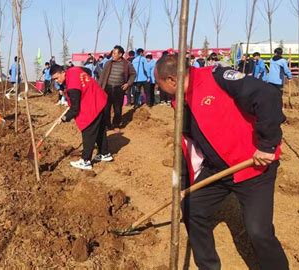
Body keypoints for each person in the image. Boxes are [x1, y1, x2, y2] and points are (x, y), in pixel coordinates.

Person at [155, 55, 289, 270]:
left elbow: (267, 95)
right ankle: (208, 266)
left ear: (171, 80)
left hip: (253, 168)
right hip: (217, 171)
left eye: (159, 83)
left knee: (258, 231)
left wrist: (267, 145)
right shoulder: (179, 103)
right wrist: (183, 185)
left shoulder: (217, 77)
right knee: (192, 207)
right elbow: (187, 146)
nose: (158, 88)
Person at [50, 64, 112, 170]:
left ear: (63, 72)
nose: (56, 81)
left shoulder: (72, 87)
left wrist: (64, 118)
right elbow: (87, 71)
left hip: (93, 103)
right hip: (99, 98)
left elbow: (75, 109)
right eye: (54, 79)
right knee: (100, 130)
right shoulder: (74, 70)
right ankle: (105, 153)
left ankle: (86, 161)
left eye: (57, 78)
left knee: (88, 131)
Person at [99, 45, 136, 131]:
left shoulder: (127, 64)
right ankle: (107, 125)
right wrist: (100, 87)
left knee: (117, 108)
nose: (113, 55)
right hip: (107, 88)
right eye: (113, 53)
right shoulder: (108, 63)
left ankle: (116, 125)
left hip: (119, 89)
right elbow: (102, 76)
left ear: (120, 54)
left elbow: (133, 74)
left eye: (115, 53)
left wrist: (128, 84)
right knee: (106, 108)